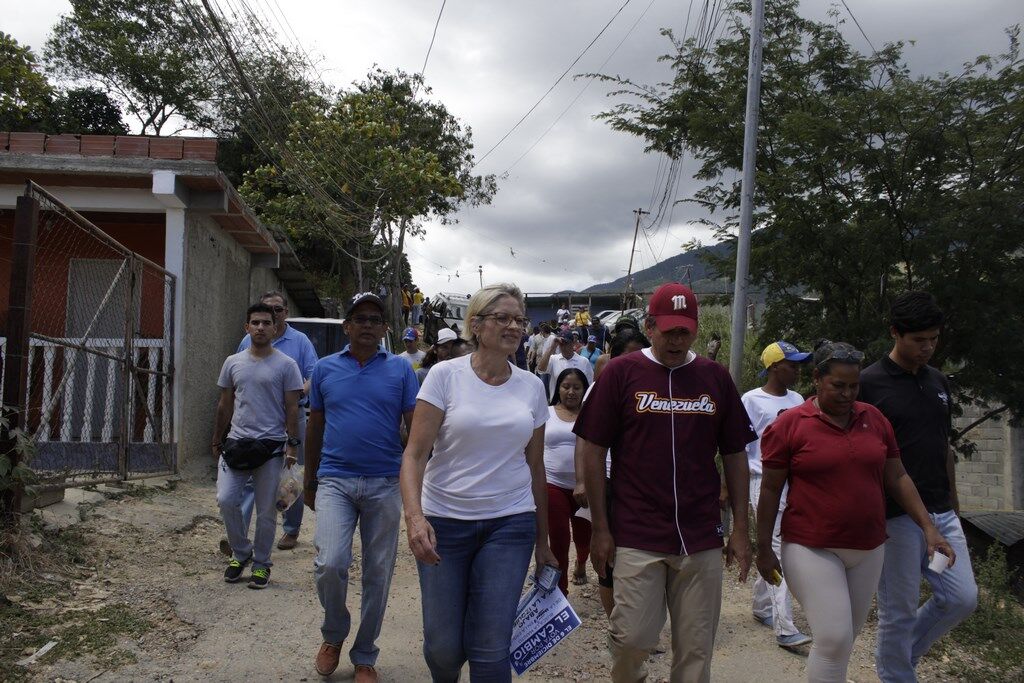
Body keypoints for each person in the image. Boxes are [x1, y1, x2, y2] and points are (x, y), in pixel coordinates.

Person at [574, 282, 755, 683]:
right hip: (638, 530)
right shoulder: (622, 373)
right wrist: (600, 528)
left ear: (695, 328)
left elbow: (736, 454)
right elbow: (592, 449)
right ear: (650, 327)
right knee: (632, 639)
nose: (676, 339)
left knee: (695, 649)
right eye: (668, 330)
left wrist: (741, 528)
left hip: (700, 534)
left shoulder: (714, 377)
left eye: (684, 331)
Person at [756, 341, 957, 683]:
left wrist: (928, 527)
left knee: (844, 641)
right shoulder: (790, 424)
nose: (848, 394)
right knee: (833, 639)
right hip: (811, 546)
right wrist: (763, 548)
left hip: (868, 548)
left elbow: (897, 475)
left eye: (854, 386)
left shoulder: (874, 419)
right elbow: (771, 489)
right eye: (839, 385)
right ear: (818, 379)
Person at [400, 283, 557, 682]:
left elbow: (535, 466)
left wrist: (544, 541)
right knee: (443, 648)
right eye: (502, 318)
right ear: (476, 324)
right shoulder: (444, 376)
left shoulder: (531, 386)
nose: (514, 326)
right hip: (444, 523)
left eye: (519, 320)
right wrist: (415, 519)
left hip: (510, 522)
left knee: (491, 649)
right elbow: (415, 455)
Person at [860, 293, 978, 682]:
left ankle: (900, 659)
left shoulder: (938, 380)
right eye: (919, 339)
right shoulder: (868, 384)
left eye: (933, 339)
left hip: (941, 512)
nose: (927, 347)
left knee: (961, 598)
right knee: (899, 609)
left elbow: (943, 445)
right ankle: (897, 674)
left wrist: (954, 506)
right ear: (896, 333)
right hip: (895, 517)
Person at [304, 292, 419, 681]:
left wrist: (414, 474)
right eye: (360, 318)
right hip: (335, 479)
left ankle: (365, 653)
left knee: (378, 571)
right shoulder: (324, 369)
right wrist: (309, 479)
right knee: (330, 563)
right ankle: (334, 632)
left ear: (385, 328)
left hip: (385, 482)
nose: (367, 325)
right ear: (347, 326)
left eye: (375, 319)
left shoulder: (402, 371)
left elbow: (414, 427)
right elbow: (314, 425)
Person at [212, 303, 302, 589]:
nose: (261, 327)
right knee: (226, 500)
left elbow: (292, 408)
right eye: (255, 322)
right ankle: (241, 553)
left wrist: (292, 445)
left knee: (266, 511)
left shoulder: (287, 365)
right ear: (246, 327)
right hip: (236, 443)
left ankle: (262, 564)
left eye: (266, 323)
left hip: (271, 448)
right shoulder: (232, 362)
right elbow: (225, 404)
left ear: (275, 329)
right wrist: (216, 438)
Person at [228, 290, 317, 553]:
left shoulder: (300, 341)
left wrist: (301, 390)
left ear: (285, 313)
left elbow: (314, 373)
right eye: (266, 310)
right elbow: (237, 374)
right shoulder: (247, 340)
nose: (271, 315)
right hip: (255, 420)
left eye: (277, 310)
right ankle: (241, 536)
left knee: (290, 475)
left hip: (292, 416)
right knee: (246, 477)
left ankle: (291, 529)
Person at [741, 341, 813, 649]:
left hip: (794, 480)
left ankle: (761, 607)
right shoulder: (751, 400)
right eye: (791, 364)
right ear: (773, 367)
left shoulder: (798, 399)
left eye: (799, 364)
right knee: (776, 547)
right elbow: (740, 447)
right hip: (762, 480)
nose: (797, 369)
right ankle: (785, 627)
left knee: (780, 544)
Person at [545, 368, 592, 594]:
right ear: (558, 388)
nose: (571, 392)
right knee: (559, 539)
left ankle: (581, 562)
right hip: (552, 485)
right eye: (566, 386)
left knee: (585, 539)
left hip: (586, 488)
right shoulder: (546, 413)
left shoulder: (593, 415)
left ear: (585, 389)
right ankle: (560, 591)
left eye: (576, 387)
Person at [538, 330, 593, 399]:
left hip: (577, 404)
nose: (563, 346)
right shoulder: (553, 359)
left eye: (566, 343)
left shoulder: (583, 361)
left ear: (573, 343)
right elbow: (540, 369)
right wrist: (552, 347)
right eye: (561, 344)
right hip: (557, 404)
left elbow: (589, 385)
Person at [530, 323, 556, 393]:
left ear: (543, 331)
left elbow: (554, 352)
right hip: (542, 363)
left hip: (549, 365)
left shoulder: (552, 338)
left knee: (547, 384)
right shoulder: (544, 339)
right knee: (543, 383)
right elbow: (535, 349)